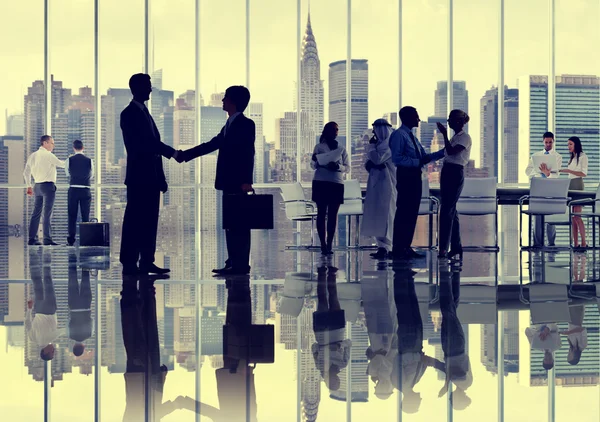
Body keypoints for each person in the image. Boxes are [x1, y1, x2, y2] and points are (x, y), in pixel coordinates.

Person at [178, 86, 256, 275]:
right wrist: (184, 155)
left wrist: (247, 180)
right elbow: (212, 144)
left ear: (233, 101)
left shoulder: (246, 124)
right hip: (229, 181)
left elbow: (248, 153)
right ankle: (233, 261)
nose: (222, 101)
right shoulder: (229, 124)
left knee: (239, 224)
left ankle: (241, 264)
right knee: (231, 223)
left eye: (225, 98)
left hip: (238, 182)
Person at [119, 73, 179, 276]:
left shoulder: (143, 113)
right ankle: (130, 262)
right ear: (137, 88)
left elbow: (153, 151)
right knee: (135, 221)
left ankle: (146, 261)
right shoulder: (129, 114)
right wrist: (173, 153)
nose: (151, 89)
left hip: (149, 178)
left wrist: (160, 178)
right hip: (139, 178)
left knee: (149, 221)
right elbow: (147, 145)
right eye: (148, 85)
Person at [389, 106, 445, 260]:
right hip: (406, 176)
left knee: (411, 213)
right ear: (407, 117)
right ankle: (399, 248)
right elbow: (397, 158)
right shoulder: (399, 135)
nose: (419, 119)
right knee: (404, 213)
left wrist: (443, 152)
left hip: (415, 176)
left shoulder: (412, 137)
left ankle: (406, 247)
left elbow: (424, 157)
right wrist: (417, 162)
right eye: (416, 116)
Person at [391, 261, 445, 413]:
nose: (420, 399)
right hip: (415, 340)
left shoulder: (398, 383)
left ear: (409, 401)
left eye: (417, 403)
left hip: (407, 341)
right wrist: (440, 365)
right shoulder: (413, 382)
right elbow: (425, 362)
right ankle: (408, 278)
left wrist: (421, 359)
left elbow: (399, 360)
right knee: (413, 306)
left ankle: (400, 274)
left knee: (404, 307)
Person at [436, 110, 472, 260]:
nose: (448, 122)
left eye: (451, 119)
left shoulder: (465, 138)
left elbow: (450, 152)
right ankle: (456, 247)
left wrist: (443, 134)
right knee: (451, 211)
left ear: (459, 122)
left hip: (455, 173)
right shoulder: (455, 137)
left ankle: (443, 248)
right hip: (447, 172)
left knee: (446, 211)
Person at [310, 122, 350, 255]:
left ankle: (329, 244)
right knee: (321, 214)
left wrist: (338, 167)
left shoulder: (342, 149)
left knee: (333, 215)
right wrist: (315, 160)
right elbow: (312, 166)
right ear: (326, 131)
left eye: (337, 129)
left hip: (336, 183)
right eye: (333, 129)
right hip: (320, 182)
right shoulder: (319, 147)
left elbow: (348, 168)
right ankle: (322, 244)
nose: (336, 132)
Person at [438, 262, 473, 410]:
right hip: (455, 347)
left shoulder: (460, 384)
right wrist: (446, 384)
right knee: (447, 309)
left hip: (449, 347)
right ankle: (444, 273)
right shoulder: (465, 384)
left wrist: (447, 383)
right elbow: (458, 373)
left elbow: (450, 372)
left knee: (452, 307)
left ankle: (455, 271)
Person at [311, 265, 352, 391]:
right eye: (336, 381)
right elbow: (349, 343)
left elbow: (313, 347)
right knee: (333, 297)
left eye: (332, 382)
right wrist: (340, 346)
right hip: (337, 329)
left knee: (322, 299)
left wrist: (324, 347)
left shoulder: (319, 366)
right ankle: (332, 274)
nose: (334, 379)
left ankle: (322, 273)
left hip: (322, 331)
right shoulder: (343, 364)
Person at [361, 119, 396, 260]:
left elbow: (377, 159)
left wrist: (371, 151)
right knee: (377, 214)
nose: (374, 132)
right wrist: (373, 162)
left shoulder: (390, 145)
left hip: (388, 185)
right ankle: (381, 246)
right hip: (376, 184)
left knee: (387, 214)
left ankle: (388, 246)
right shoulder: (377, 146)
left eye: (376, 129)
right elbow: (369, 164)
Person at [23, 135, 65, 246]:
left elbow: (26, 172)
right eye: (52, 143)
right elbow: (62, 164)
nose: (53, 145)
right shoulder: (48, 155)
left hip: (37, 186)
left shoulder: (33, 155)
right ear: (45, 143)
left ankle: (32, 239)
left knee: (36, 213)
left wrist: (29, 186)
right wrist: (71, 160)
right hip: (48, 187)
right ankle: (47, 239)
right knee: (47, 214)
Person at [525, 132, 563, 247]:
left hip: (551, 188)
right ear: (543, 142)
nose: (548, 144)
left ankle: (551, 243)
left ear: (553, 142)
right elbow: (528, 171)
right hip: (538, 188)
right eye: (546, 142)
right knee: (537, 215)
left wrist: (547, 174)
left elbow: (556, 175)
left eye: (550, 142)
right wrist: (538, 172)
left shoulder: (557, 157)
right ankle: (537, 244)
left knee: (550, 215)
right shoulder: (535, 156)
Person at [26, 249, 62, 361]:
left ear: (45, 352)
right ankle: (33, 254)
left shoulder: (48, 339)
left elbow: (62, 331)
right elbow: (27, 323)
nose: (53, 351)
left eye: (51, 353)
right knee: (37, 281)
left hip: (50, 310)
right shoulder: (32, 339)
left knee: (48, 281)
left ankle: (47, 253)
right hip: (39, 309)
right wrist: (29, 309)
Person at [559, 136, 588, 248]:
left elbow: (583, 173)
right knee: (573, 216)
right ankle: (575, 244)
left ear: (576, 144)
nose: (568, 147)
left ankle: (584, 243)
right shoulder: (572, 157)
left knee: (577, 216)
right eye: (568, 144)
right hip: (570, 184)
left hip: (577, 184)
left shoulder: (582, 156)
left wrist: (568, 170)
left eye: (570, 144)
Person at [65, 139, 94, 246]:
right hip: (86, 189)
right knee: (85, 215)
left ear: (74, 148)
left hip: (73, 189)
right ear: (83, 148)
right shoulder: (89, 160)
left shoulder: (69, 160)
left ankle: (71, 239)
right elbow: (91, 175)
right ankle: (85, 239)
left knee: (72, 215)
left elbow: (68, 174)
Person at [68, 250, 93, 357]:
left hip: (86, 305)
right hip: (73, 305)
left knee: (85, 278)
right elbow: (69, 321)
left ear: (83, 347)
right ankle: (72, 254)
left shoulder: (88, 334)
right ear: (74, 346)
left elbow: (91, 320)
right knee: (72, 278)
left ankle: (85, 253)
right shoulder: (70, 335)